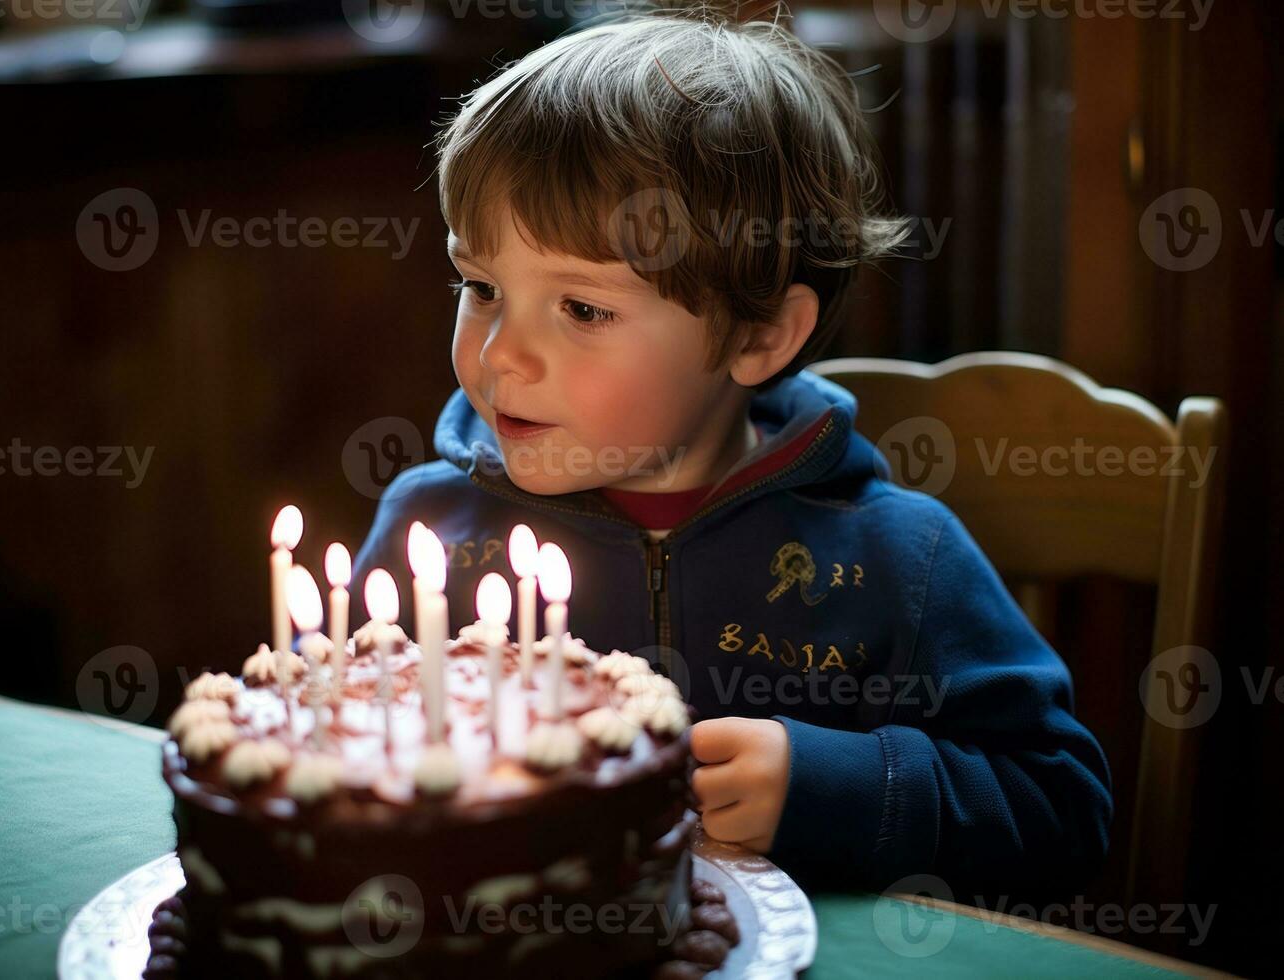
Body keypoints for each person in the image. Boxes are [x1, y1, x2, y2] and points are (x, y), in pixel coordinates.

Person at [354, 3, 1112, 895]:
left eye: (583, 309)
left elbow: (1064, 811)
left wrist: (833, 786)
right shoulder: (430, 531)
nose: (498, 354)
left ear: (758, 337)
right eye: (480, 286)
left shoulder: (896, 560)